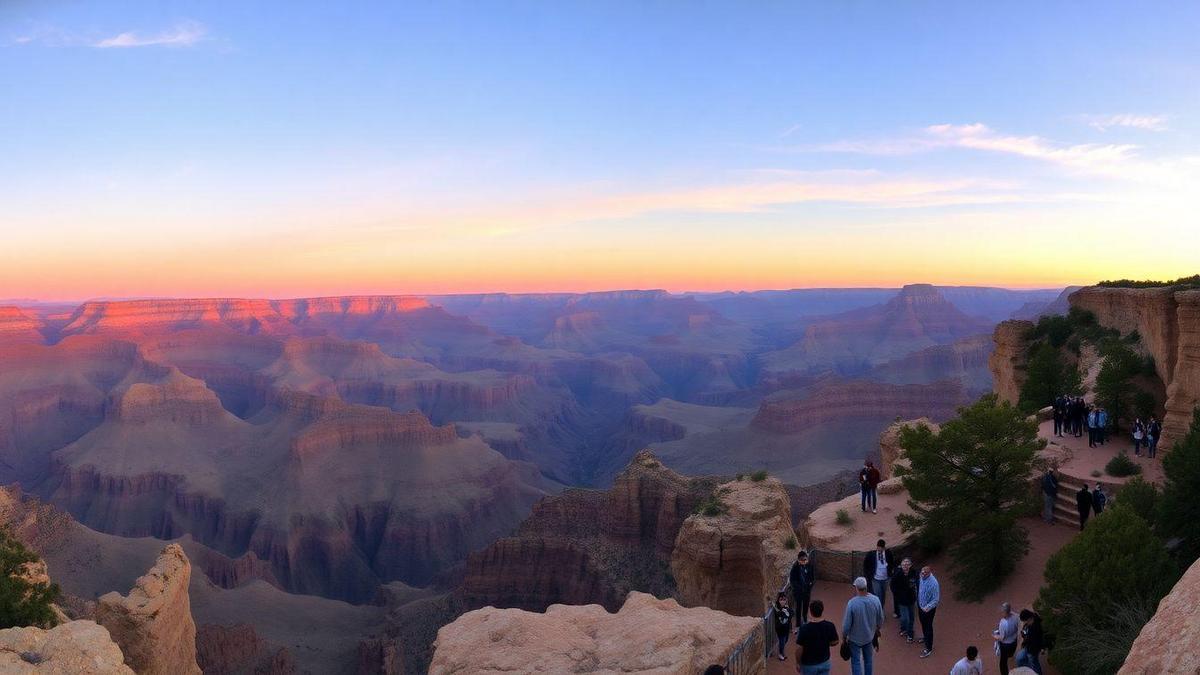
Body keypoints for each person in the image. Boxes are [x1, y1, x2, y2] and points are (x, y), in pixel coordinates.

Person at [842, 577, 884, 675]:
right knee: (868, 661)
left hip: (854, 638)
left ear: (856, 588)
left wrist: (844, 637)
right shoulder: (876, 600)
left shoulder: (852, 603)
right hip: (869, 636)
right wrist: (877, 629)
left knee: (856, 662)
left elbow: (846, 625)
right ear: (866, 586)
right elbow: (880, 619)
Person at [795, 599, 839, 675]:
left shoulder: (804, 629)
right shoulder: (829, 626)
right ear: (822, 610)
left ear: (811, 612)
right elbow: (835, 641)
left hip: (809, 665)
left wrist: (798, 663)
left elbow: (799, 649)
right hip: (824, 662)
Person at [890, 557, 918, 642]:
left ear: (910, 565)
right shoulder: (898, 574)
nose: (905, 566)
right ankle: (903, 628)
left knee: (911, 617)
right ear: (901, 566)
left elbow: (916, 583)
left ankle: (910, 634)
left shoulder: (914, 573)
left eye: (907, 564)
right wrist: (897, 595)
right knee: (905, 618)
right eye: (903, 564)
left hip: (911, 599)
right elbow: (892, 585)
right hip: (902, 600)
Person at [862, 539, 894, 610]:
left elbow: (892, 563)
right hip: (875, 579)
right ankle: (879, 611)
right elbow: (865, 564)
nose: (879, 550)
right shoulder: (871, 554)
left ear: (884, 548)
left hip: (885, 579)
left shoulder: (888, 554)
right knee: (878, 595)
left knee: (883, 595)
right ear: (877, 547)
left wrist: (890, 572)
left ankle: (881, 608)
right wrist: (867, 574)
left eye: (881, 549)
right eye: (878, 548)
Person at [917, 565, 939, 658]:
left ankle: (928, 648)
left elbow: (936, 599)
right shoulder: (921, 577)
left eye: (925, 573)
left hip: (928, 609)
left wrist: (927, 608)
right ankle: (925, 637)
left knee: (928, 626)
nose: (922, 574)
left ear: (929, 573)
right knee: (923, 623)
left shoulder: (934, 583)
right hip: (920, 605)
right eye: (922, 572)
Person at [790, 549, 816, 626]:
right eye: (802, 560)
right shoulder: (795, 568)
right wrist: (799, 588)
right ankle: (798, 623)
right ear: (799, 559)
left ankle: (804, 619)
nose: (804, 561)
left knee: (805, 605)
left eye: (805, 559)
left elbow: (812, 576)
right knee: (798, 607)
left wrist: (810, 584)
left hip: (807, 591)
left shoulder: (809, 565)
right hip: (798, 592)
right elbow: (793, 580)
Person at [1015, 609, 1045, 674]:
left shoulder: (1037, 626)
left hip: (1033, 649)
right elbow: (1026, 633)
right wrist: (1024, 635)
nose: (1025, 623)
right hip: (1027, 646)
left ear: (1029, 618)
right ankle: (1026, 671)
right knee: (1019, 659)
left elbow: (1039, 638)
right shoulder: (1029, 624)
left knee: (1034, 664)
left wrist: (1042, 648)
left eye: (1025, 621)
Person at [993, 602, 1019, 675]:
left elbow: (1001, 638)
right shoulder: (1015, 617)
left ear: (1005, 612)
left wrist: (994, 636)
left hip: (1005, 645)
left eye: (1002, 611)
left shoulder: (1003, 623)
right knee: (1011, 655)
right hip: (1014, 641)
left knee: (1003, 663)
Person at [773, 592, 793, 660]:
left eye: (784, 599)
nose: (782, 601)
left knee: (785, 640)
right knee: (782, 640)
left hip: (786, 627)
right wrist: (783, 612)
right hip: (780, 628)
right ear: (778, 600)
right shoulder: (777, 608)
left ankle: (781, 651)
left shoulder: (787, 607)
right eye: (781, 599)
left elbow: (791, 614)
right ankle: (781, 654)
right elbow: (778, 613)